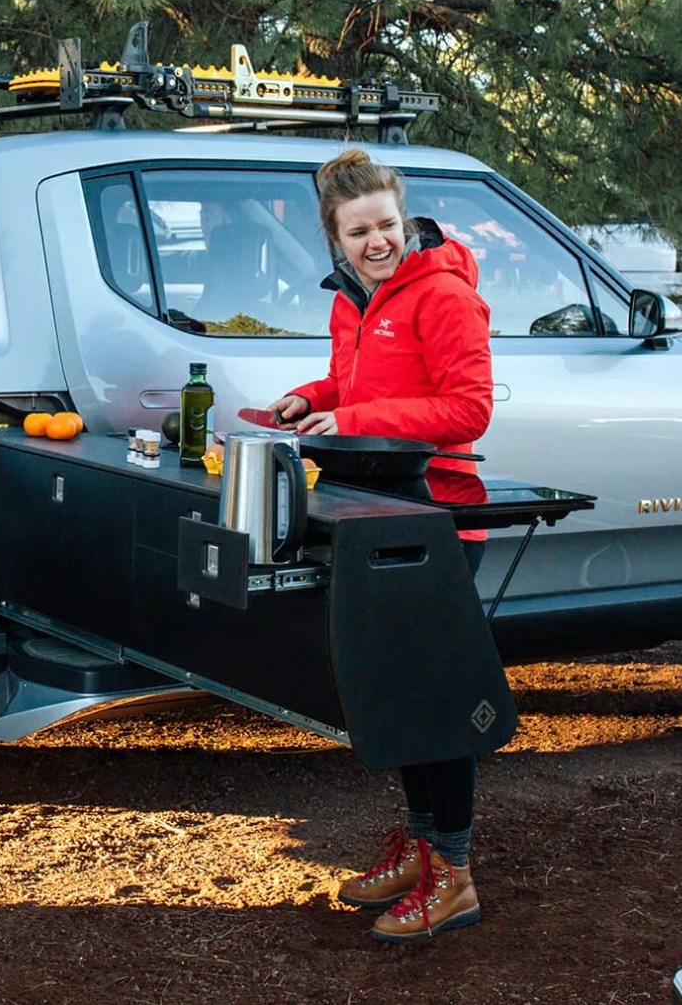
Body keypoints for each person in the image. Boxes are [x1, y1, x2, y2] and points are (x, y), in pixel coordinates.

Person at [268, 146, 494, 943]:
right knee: (397, 697)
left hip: (439, 517)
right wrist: (311, 396)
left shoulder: (444, 295)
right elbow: (361, 383)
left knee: (435, 700)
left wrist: (355, 419)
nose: (377, 242)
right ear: (334, 238)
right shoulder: (350, 300)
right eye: (358, 231)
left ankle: (453, 874)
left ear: (406, 221)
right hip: (375, 513)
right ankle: (422, 846)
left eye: (386, 226)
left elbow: (467, 410)